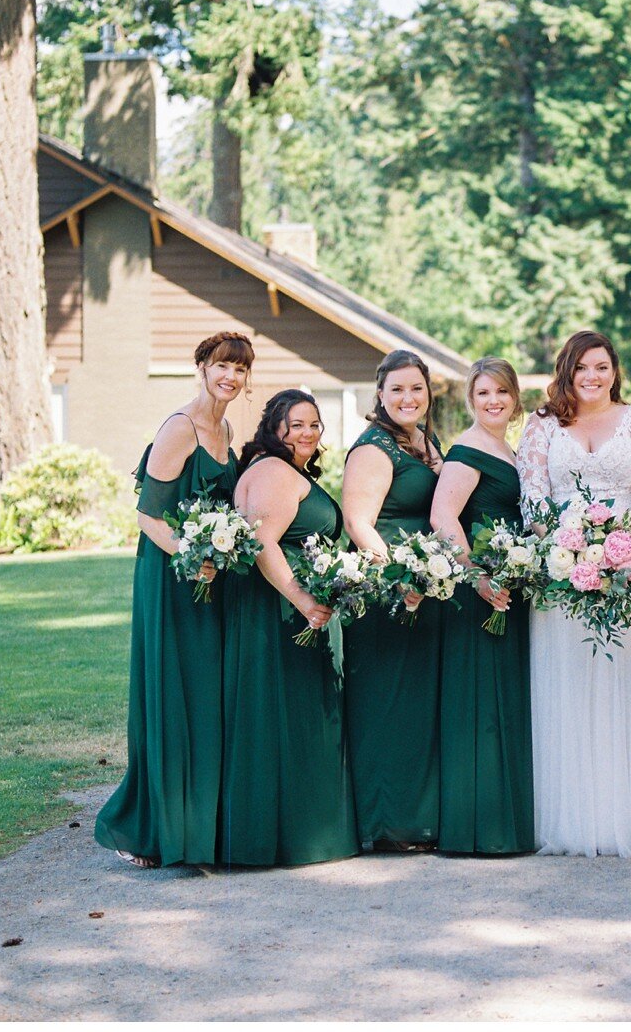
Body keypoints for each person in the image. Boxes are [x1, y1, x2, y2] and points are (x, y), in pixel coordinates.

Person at [517, 330, 631, 856]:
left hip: (630, 571)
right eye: (581, 368)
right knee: (565, 687)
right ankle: (566, 820)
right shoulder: (542, 426)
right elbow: (533, 501)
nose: (592, 377)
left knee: (627, 687)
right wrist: (564, 553)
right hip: (558, 574)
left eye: (601, 366)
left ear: (615, 370)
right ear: (566, 371)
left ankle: (628, 816)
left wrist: (623, 548)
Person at [96, 331, 253, 869]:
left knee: (206, 696)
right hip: (170, 577)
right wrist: (193, 555)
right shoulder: (179, 428)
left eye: (239, 369)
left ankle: (199, 823)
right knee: (172, 694)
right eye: (221, 366)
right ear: (202, 367)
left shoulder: (227, 428)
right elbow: (147, 516)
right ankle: (146, 828)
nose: (230, 377)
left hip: (211, 581)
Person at [218, 390, 359, 866]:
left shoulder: (277, 469)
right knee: (289, 717)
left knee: (288, 716)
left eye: (314, 424)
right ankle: (298, 836)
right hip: (282, 610)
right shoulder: (275, 472)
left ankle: (298, 830)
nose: (307, 433)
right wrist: (302, 598)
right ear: (274, 427)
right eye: (295, 424)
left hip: (284, 607)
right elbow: (263, 543)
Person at [341, 350, 446, 851]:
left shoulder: (428, 442)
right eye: (398, 389)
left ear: (429, 394)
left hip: (426, 590)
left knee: (417, 705)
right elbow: (358, 523)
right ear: (380, 394)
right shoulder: (374, 448)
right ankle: (383, 823)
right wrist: (401, 576)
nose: (409, 397)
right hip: (385, 591)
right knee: (385, 702)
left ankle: (417, 818)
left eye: (417, 389)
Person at [430, 358, 535, 855]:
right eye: (483, 394)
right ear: (471, 401)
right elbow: (443, 515)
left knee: (502, 703)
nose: (493, 401)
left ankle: (504, 823)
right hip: (479, 593)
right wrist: (477, 577)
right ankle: (477, 830)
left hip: (506, 588)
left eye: (502, 393)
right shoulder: (467, 449)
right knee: (479, 705)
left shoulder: (507, 449)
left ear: (515, 398)